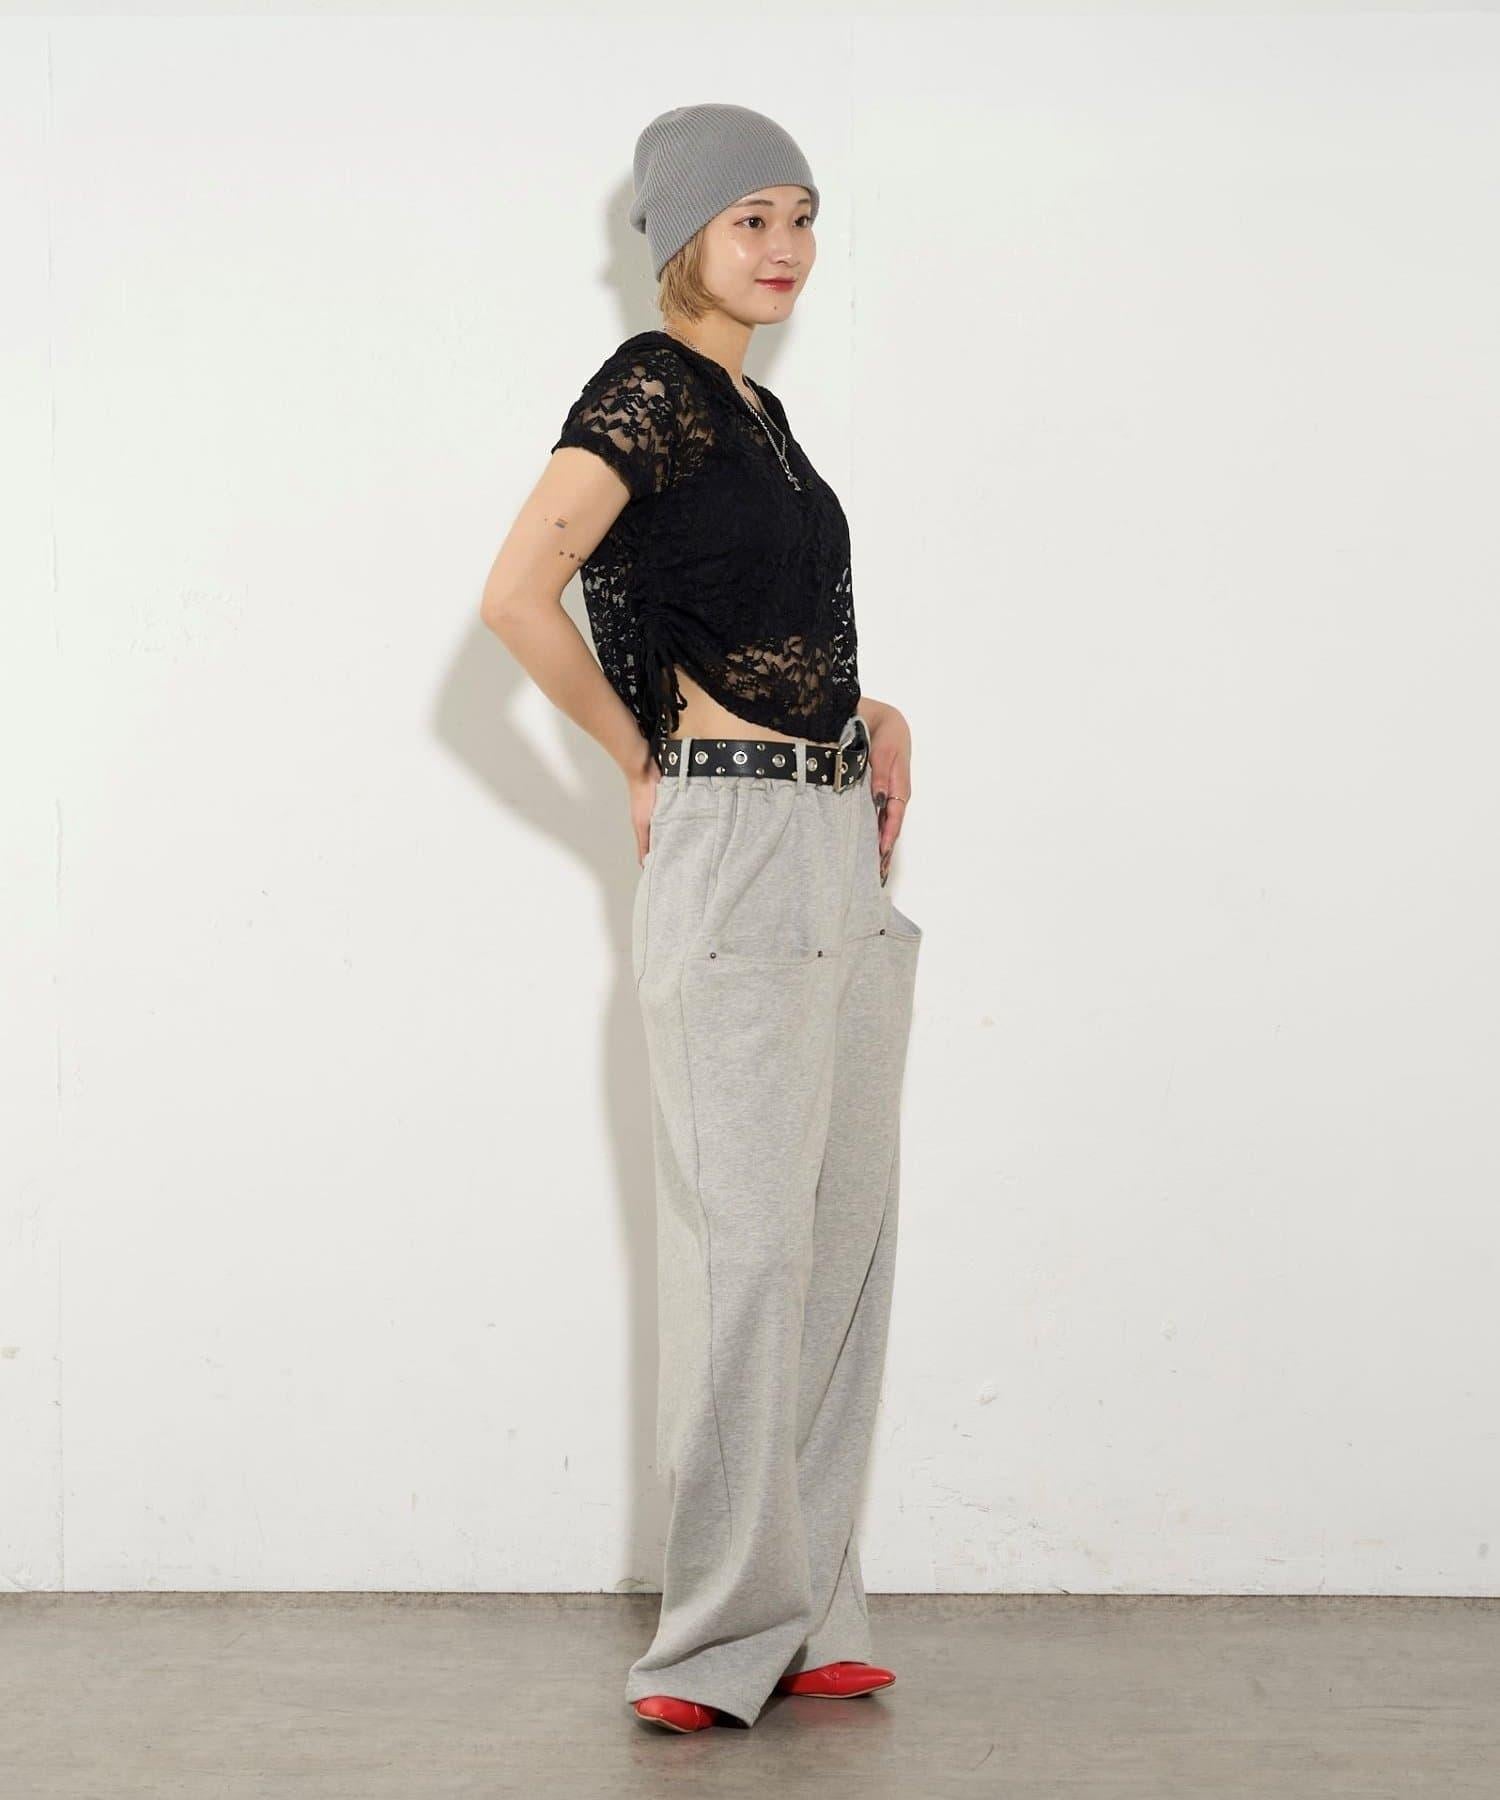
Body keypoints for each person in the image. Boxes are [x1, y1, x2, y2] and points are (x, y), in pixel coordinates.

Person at [481, 103, 920, 1733]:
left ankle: (810, 1615)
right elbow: (516, 596)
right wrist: (637, 759)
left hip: (833, 836)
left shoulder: (764, 417)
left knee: (838, 1234)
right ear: (682, 235)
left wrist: (873, 715)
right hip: (733, 837)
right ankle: (715, 1638)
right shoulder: (650, 388)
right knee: (748, 1243)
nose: (786, 246)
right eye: (751, 217)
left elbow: (764, 624)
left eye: (802, 215)